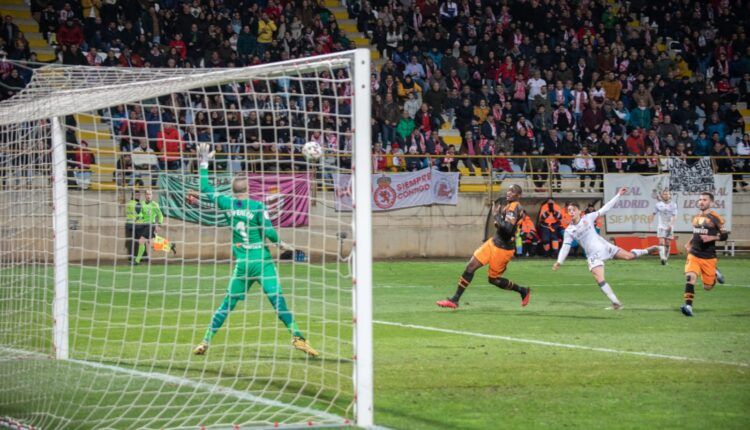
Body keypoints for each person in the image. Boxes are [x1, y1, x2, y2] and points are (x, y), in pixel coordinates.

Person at [192, 143, 318, 357]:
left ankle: (205, 341)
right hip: (262, 262)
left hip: (242, 265)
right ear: (248, 189)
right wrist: (281, 244)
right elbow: (268, 231)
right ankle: (298, 338)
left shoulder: (226, 203)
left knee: (226, 305)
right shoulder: (258, 207)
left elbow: (204, 188)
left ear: (233, 190)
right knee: (279, 302)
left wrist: (204, 163)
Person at [553, 188, 657, 309]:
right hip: (593, 255)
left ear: (579, 211)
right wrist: (559, 261)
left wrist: (618, 195)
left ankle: (649, 249)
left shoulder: (588, 218)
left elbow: (605, 208)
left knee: (629, 256)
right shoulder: (569, 230)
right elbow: (565, 247)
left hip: (604, 246)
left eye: (573, 210)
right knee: (599, 278)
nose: (571, 212)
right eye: (569, 210)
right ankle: (616, 302)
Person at [436, 184, 531, 309]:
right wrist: (498, 221)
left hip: (503, 249)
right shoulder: (509, 206)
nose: (509, 192)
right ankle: (454, 300)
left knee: (494, 280)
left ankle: (522, 291)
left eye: (512, 191)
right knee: (470, 266)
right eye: (508, 190)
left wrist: (496, 215)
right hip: (493, 243)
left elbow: (508, 229)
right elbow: (505, 227)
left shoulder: (514, 207)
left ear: (518, 195)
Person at [680, 192, 729, 317]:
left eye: (704, 200)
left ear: (711, 202)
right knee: (690, 278)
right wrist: (689, 243)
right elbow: (696, 233)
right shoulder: (696, 217)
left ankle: (715, 272)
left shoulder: (715, 218)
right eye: (700, 199)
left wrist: (711, 237)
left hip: (708, 257)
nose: (701, 202)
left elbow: (724, 235)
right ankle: (688, 306)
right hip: (694, 254)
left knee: (708, 287)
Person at [133, 188, 164, 265]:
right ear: (145, 195)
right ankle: (170, 245)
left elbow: (160, 216)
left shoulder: (154, 205)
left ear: (152, 195)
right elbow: (141, 214)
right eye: (147, 194)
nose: (148, 196)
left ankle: (137, 261)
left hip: (151, 225)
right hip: (144, 225)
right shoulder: (142, 204)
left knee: (141, 241)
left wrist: (159, 224)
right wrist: (138, 217)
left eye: (150, 194)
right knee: (152, 243)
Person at [649, 189, 677, 265]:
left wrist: (671, 224)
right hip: (661, 226)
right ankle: (662, 258)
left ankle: (666, 260)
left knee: (668, 243)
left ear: (670, 195)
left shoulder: (673, 204)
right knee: (661, 242)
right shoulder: (658, 204)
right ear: (662, 195)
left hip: (669, 226)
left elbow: (674, 216)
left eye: (667, 194)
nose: (666, 195)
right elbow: (653, 214)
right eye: (664, 194)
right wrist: (650, 224)